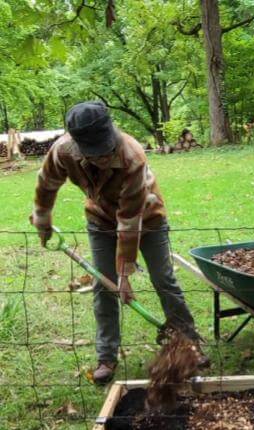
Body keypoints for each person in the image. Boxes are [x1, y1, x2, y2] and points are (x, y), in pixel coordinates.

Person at [30, 101, 209, 385]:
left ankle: (190, 345)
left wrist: (125, 275)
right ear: (77, 145)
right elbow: (47, 183)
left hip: (147, 219)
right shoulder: (62, 151)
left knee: (164, 279)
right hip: (100, 220)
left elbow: (129, 220)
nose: (104, 156)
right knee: (104, 286)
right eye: (96, 152)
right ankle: (107, 357)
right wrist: (42, 219)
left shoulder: (131, 155)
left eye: (106, 148)